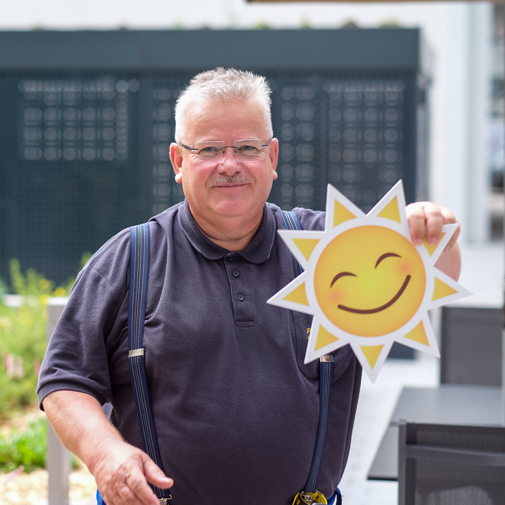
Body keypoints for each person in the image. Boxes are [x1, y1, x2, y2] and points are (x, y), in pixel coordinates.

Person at [37, 68, 461, 505]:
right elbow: (64, 380)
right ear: (178, 162)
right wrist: (105, 454)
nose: (230, 164)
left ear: (273, 157)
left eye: (246, 148)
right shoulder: (130, 258)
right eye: (209, 149)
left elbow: (435, 279)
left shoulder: (330, 249)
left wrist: (433, 231)